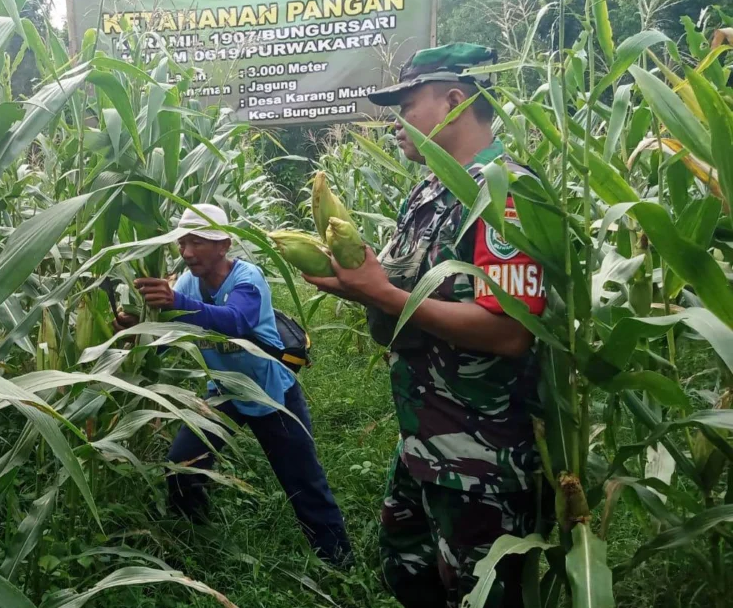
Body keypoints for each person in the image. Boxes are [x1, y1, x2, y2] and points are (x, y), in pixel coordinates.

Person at [302, 44, 548, 607]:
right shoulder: (429, 192)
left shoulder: (506, 192)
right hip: (423, 438)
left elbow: (510, 330)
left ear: (456, 101)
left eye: (407, 106)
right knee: (409, 574)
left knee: (482, 594)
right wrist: (356, 283)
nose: (395, 124)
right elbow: (397, 289)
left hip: (482, 455)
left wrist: (385, 293)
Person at [115, 203, 355, 569]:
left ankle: (337, 561)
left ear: (224, 244)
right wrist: (135, 330)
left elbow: (236, 322)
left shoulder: (247, 278)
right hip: (224, 392)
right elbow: (174, 335)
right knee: (181, 465)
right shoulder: (187, 282)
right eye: (183, 243)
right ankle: (194, 537)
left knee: (303, 480)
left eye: (198, 242)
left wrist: (176, 301)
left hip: (271, 395)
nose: (187, 252)